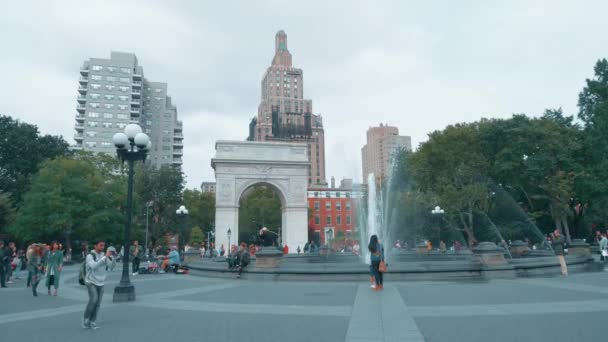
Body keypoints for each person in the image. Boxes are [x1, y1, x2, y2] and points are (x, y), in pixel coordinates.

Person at [83, 239, 115, 330]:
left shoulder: (104, 255)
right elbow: (93, 266)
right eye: (100, 245)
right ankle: (86, 318)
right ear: (95, 246)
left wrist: (113, 259)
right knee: (93, 300)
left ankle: (92, 321)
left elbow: (111, 267)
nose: (102, 247)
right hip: (91, 281)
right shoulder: (90, 256)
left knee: (98, 304)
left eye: (103, 246)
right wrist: (105, 258)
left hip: (101, 282)